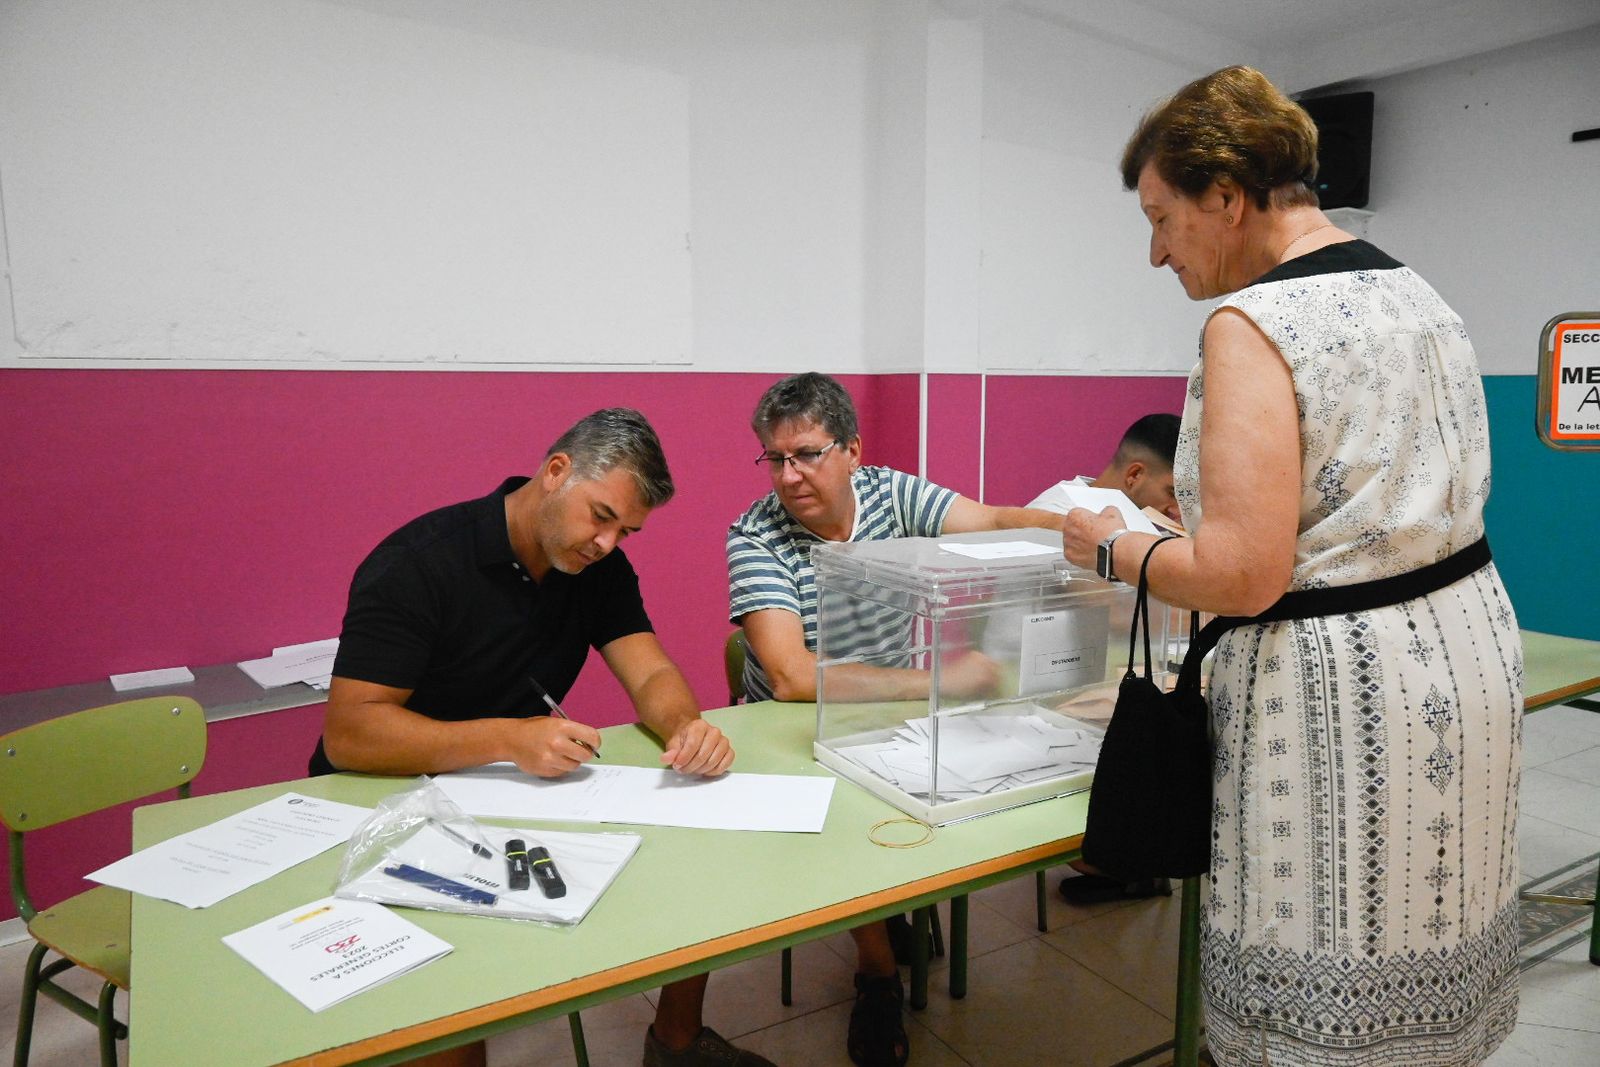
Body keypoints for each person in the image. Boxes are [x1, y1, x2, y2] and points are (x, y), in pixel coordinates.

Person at [1060, 66, 1520, 1067]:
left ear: (1224, 196)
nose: (1153, 252)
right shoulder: (1417, 291)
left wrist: (1110, 541)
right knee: (1431, 923)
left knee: (1328, 973)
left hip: (1350, 695)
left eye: (1162, 217)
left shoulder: (1251, 324)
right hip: (1467, 651)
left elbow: (1239, 573)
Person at [312, 408, 775, 1067]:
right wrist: (509, 738)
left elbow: (651, 671)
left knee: (685, 876)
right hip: (384, 805)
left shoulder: (597, 570)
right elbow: (350, 734)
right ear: (556, 472)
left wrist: (685, 724)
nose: (608, 543)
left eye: (626, 530)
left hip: (511, 799)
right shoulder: (418, 562)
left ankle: (675, 1039)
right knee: (446, 1014)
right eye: (601, 515)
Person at [726, 372, 1068, 1067]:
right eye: (775, 457)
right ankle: (877, 971)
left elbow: (996, 519)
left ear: (851, 450)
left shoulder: (891, 492)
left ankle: (901, 908)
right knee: (849, 812)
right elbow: (793, 677)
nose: (788, 475)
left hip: (891, 710)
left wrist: (1097, 531)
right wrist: (943, 679)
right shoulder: (754, 535)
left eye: (807, 454)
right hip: (789, 724)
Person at [1050, 411, 1183, 904]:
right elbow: (1113, 613)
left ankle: (1135, 852)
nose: (1177, 505)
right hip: (1058, 683)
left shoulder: (1136, 518)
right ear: (1134, 476)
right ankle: (1127, 855)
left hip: (1104, 670)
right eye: (1172, 490)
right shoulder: (1066, 512)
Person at [1034, 413, 1182, 526]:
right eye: (1173, 494)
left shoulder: (1145, 524)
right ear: (1134, 475)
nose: (1178, 512)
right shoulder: (1057, 518)